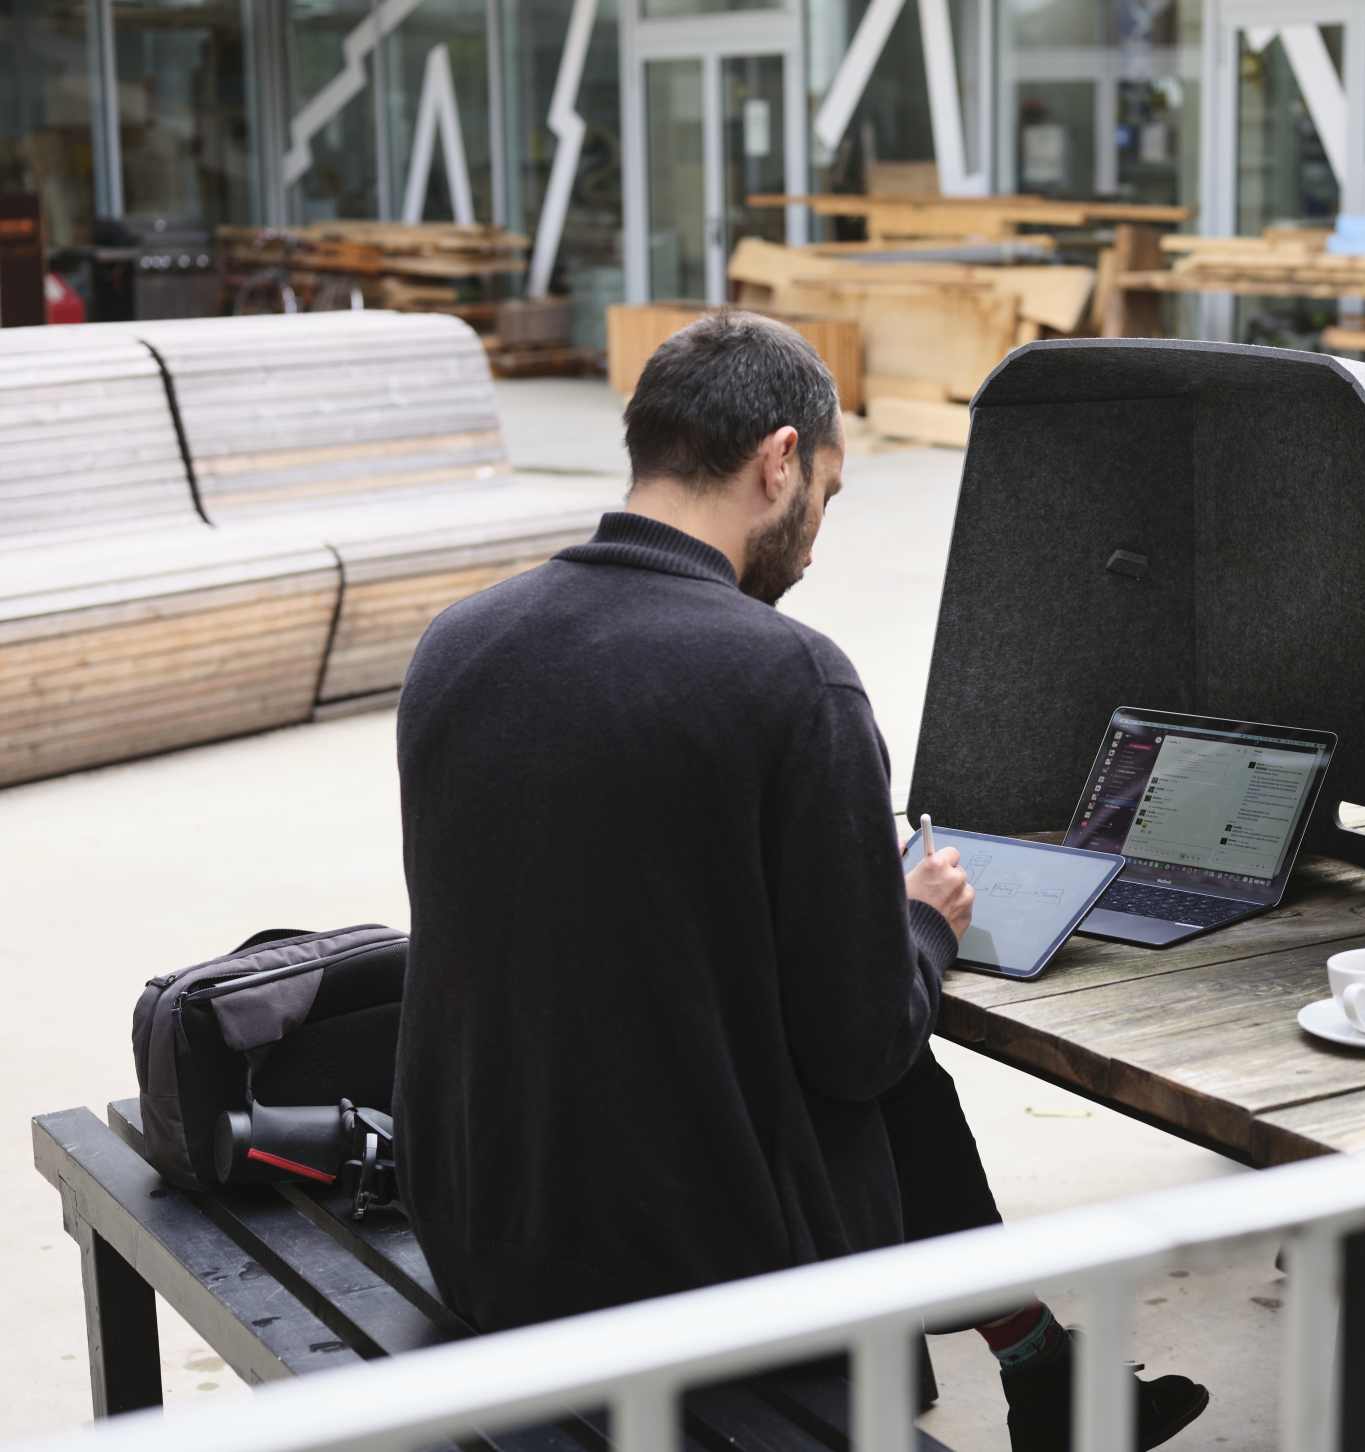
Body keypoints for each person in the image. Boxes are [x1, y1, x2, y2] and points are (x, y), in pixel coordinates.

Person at [393, 311, 1209, 1451]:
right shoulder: (788, 678)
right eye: (825, 493)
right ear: (779, 460)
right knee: (888, 1044)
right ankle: (1038, 1368)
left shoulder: (459, 642)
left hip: (482, 1228)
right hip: (690, 1283)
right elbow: (861, 1045)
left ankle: (1041, 1367)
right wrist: (923, 925)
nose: (817, 541)